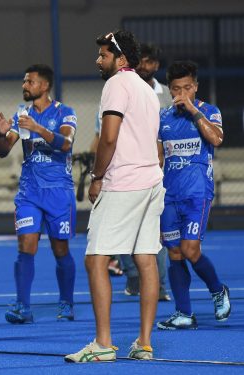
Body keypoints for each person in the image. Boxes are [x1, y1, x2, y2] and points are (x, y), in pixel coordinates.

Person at [66, 30, 164, 363]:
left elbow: (108, 138)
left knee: (96, 258)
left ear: (121, 59)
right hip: (151, 181)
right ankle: (145, 343)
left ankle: (103, 343)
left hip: (123, 183)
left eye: (103, 55)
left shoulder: (116, 85)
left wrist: (96, 177)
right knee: (146, 259)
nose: (98, 60)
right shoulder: (148, 89)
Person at [0, 64, 77, 324]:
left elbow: (65, 144)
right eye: (24, 81)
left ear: (44, 86)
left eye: (29, 82)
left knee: (60, 248)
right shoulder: (22, 114)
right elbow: (4, 151)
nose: (24, 86)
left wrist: (39, 129)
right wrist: (2, 135)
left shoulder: (66, 113)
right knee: (25, 246)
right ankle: (23, 306)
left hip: (58, 192)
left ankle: (66, 303)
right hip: (29, 192)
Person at [156, 60, 230, 330]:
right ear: (170, 90)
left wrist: (193, 112)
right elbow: (158, 158)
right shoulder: (163, 117)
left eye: (187, 88)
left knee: (190, 249)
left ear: (195, 87)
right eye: (177, 89)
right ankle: (184, 313)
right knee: (174, 252)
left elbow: (217, 139)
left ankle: (217, 290)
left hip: (197, 193)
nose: (182, 94)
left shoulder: (209, 111)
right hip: (169, 195)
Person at [115, 43, 173, 300]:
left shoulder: (167, 96)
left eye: (149, 61)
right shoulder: (120, 89)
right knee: (122, 226)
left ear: (156, 66)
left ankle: (158, 285)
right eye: (140, 61)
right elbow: (106, 131)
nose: (143, 66)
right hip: (126, 168)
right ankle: (133, 275)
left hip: (157, 170)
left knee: (155, 229)